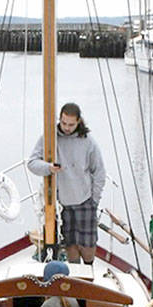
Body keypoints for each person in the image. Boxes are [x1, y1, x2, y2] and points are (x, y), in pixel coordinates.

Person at [26, 102, 105, 264]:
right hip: (61, 203)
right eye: (64, 123)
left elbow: (99, 172)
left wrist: (94, 200)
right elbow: (32, 163)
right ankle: (74, 270)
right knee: (70, 244)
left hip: (85, 200)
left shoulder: (88, 141)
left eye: (71, 124)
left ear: (78, 122)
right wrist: (48, 168)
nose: (67, 128)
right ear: (59, 119)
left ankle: (88, 268)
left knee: (88, 245)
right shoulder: (49, 138)